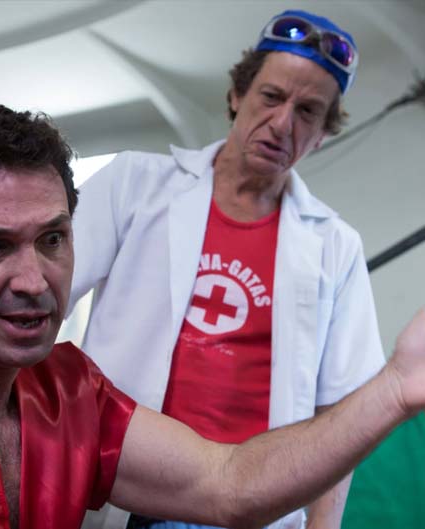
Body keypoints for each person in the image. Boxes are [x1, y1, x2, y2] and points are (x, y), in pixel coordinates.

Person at [0, 105, 425, 529]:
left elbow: (231, 483)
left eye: (52, 239)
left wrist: (398, 386)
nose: (34, 280)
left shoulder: (66, 388)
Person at [68, 10, 384, 529]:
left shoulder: (336, 246)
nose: (282, 123)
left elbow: (340, 413)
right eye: (271, 97)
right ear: (237, 94)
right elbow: (37, 299)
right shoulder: (134, 185)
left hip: (259, 509)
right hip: (126, 490)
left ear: (323, 135)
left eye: (307, 111)